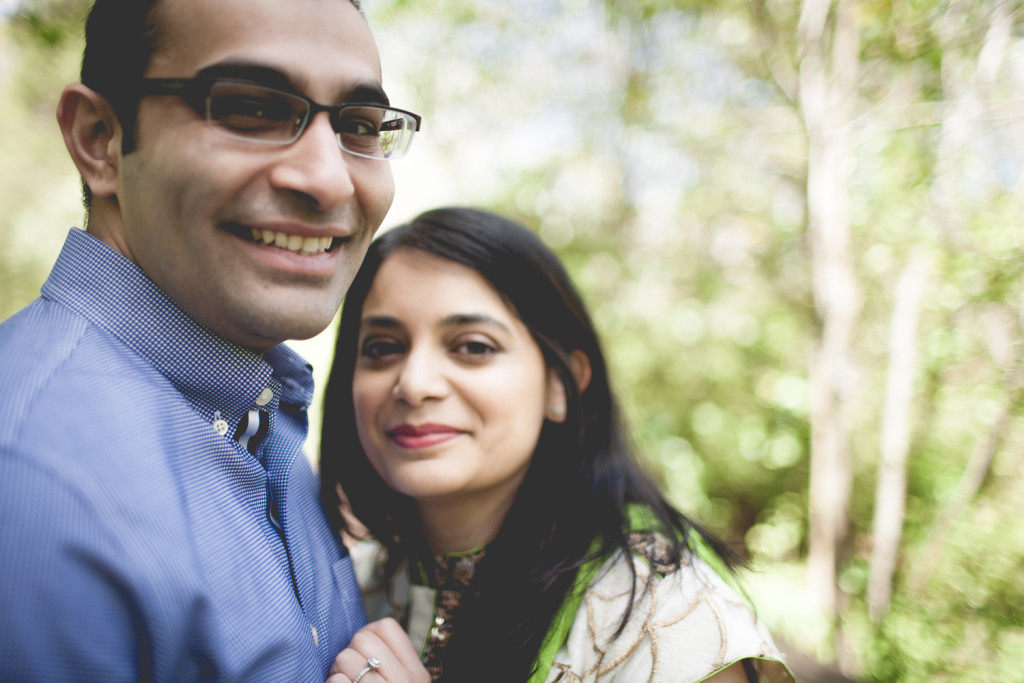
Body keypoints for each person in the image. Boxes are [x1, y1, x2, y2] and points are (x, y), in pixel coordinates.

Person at [0, 0, 429, 681]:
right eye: (251, 107)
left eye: (358, 125)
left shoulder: (260, 415)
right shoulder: (32, 483)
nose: (326, 178)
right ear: (100, 138)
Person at [319, 207, 796, 682]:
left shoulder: (663, 615)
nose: (414, 383)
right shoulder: (354, 584)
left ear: (561, 386)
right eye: (381, 347)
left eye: (473, 346)